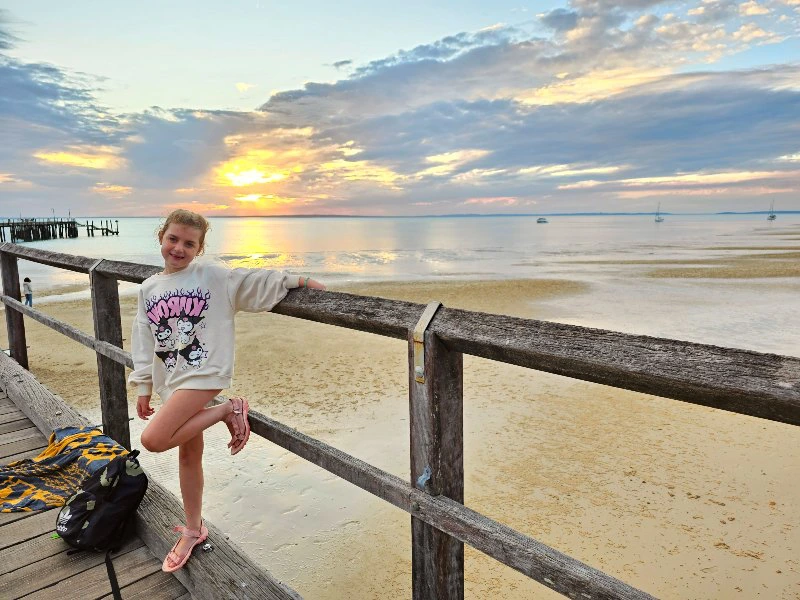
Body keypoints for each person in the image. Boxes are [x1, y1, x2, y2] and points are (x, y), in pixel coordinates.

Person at [128, 208, 325, 573]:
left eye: (189, 243)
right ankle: (193, 528)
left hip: (206, 373)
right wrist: (143, 386)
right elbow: (143, 339)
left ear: (200, 248)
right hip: (171, 378)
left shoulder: (212, 275)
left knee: (154, 440)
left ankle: (226, 410)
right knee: (188, 455)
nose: (179, 248)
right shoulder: (149, 288)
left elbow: (251, 281)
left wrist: (299, 279)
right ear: (161, 238)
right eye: (173, 239)